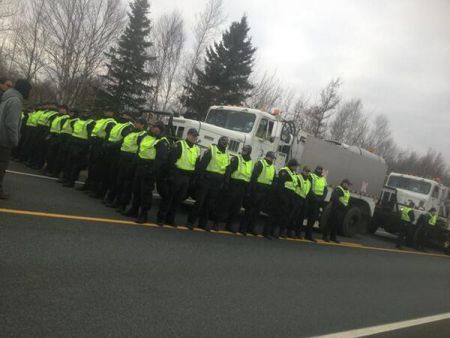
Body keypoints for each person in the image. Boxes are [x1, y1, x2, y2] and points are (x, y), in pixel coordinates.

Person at [125, 121, 169, 223]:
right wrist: (134, 164)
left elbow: (161, 159)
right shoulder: (146, 137)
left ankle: (143, 214)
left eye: (157, 127)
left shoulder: (162, 141)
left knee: (145, 193)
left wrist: (152, 171)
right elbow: (139, 151)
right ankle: (134, 210)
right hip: (140, 167)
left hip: (149, 169)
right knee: (136, 190)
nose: (154, 129)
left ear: (161, 130)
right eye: (154, 127)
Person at [156, 128, 200, 227]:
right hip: (177, 175)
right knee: (168, 198)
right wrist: (170, 175)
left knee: (178, 200)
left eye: (196, 136)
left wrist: (193, 179)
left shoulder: (197, 149)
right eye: (193, 135)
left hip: (187, 177)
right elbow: (171, 161)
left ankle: (170, 219)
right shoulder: (180, 145)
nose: (194, 138)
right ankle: (161, 218)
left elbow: (196, 165)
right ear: (188, 135)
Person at [187, 136, 230, 231]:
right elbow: (202, 165)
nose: (224, 143)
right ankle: (190, 222)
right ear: (219, 141)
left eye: (226, 142)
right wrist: (199, 179)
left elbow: (227, 170)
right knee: (200, 202)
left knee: (209, 204)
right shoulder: (212, 149)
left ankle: (202, 224)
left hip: (217, 183)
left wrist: (225, 183)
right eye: (223, 141)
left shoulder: (227, 154)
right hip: (206, 180)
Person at [0, 79, 32, 199]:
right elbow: (11, 123)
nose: (29, 93)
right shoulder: (16, 101)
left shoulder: (7, 97)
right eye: (28, 90)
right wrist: (15, 140)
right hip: (4, 140)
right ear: (24, 89)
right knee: (1, 166)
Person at [112, 117, 147, 212]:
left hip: (131, 160)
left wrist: (134, 162)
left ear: (143, 125)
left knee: (127, 184)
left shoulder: (142, 135)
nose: (136, 124)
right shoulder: (131, 132)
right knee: (119, 181)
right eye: (136, 122)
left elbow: (140, 149)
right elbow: (123, 142)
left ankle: (123, 204)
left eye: (138, 123)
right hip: (123, 158)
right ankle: (117, 201)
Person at [217, 145, 253, 234]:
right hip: (233, 185)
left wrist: (248, 191)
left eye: (246, 150)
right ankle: (216, 223)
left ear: (249, 152)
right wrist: (226, 184)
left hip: (242, 188)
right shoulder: (236, 159)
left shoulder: (250, 162)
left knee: (236, 208)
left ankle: (229, 225)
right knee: (225, 206)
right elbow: (229, 171)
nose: (243, 151)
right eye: (243, 150)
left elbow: (249, 177)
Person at [240, 151, 276, 237]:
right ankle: (243, 228)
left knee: (257, 212)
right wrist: (252, 191)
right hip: (257, 190)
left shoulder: (273, 167)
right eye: (271, 158)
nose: (272, 159)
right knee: (250, 211)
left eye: (273, 158)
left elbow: (273, 181)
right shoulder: (260, 163)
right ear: (267, 157)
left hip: (265, 192)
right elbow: (254, 177)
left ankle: (251, 228)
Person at [81, 109, 117, 194]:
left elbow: (108, 135)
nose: (107, 112)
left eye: (109, 111)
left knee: (97, 169)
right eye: (106, 110)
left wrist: (103, 144)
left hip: (101, 146)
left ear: (112, 112)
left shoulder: (111, 122)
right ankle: (88, 185)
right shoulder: (100, 120)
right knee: (91, 167)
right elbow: (94, 131)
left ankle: (94, 188)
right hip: (94, 145)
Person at [100, 113, 134, 203]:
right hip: (110, 151)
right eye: (123, 114)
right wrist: (106, 143)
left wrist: (112, 145)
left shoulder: (129, 126)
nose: (124, 116)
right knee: (106, 173)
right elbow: (110, 135)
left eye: (126, 115)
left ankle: (111, 197)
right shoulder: (118, 124)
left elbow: (124, 140)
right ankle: (102, 193)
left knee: (114, 176)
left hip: (117, 153)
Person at [62, 111, 95, 187]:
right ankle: (66, 178)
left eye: (87, 113)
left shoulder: (90, 123)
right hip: (73, 143)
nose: (85, 114)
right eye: (84, 112)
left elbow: (90, 137)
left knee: (76, 165)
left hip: (81, 145)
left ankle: (71, 181)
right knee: (69, 162)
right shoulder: (78, 121)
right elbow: (73, 132)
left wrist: (84, 148)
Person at [269, 159, 299, 239]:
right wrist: (283, 198)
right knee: (276, 215)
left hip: (289, 198)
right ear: (292, 165)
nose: (296, 168)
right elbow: (280, 185)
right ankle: (270, 232)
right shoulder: (284, 171)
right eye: (295, 166)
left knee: (283, 216)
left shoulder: (293, 173)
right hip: (282, 197)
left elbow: (293, 186)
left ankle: (277, 232)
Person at [322, 179, 351, 243]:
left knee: (336, 224)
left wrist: (347, 207)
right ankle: (325, 236)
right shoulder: (339, 189)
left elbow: (347, 200)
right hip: (335, 209)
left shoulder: (347, 191)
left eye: (349, 185)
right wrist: (342, 206)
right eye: (348, 184)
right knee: (330, 223)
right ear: (343, 183)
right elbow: (335, 198)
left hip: (341, 210)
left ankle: (333, 237)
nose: (348, 186)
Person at [44, 104, 70, 175]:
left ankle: (53, 171)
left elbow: (63, 129)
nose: (60, 110)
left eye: (62, 109)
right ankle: (48, 168)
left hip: (59, 137)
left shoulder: (66, 118)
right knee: (50, 154)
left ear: (66, 110)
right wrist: (49, 134)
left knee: (56, 155)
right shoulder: (57, 117)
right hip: (53, 136)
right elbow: (52, 127)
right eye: (60, 109)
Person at [306, 166, 328, 242]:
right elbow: (309, 187)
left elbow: (325, 190)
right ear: (315, 169)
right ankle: (303, 234)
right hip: (311, 199)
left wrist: (322, 198)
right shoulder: (311, 176)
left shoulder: (323, 179)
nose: (320, 171)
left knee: (313, 218)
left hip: (319, 201)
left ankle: (308, 235)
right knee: (307, 216)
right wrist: (315, 198)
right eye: (318, 169)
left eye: (321, 170)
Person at [290, 166, 311, 238]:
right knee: (293, 217)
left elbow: (307, 192)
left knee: (300, 218)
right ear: (303, 171)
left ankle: (297, 233)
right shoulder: (298, 177)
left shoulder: (308, 182)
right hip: (297, 198)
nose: (307, 173)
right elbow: (294, 187)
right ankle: (289, 232)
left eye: (308, 172)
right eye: (306, 171)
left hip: (303, 200)